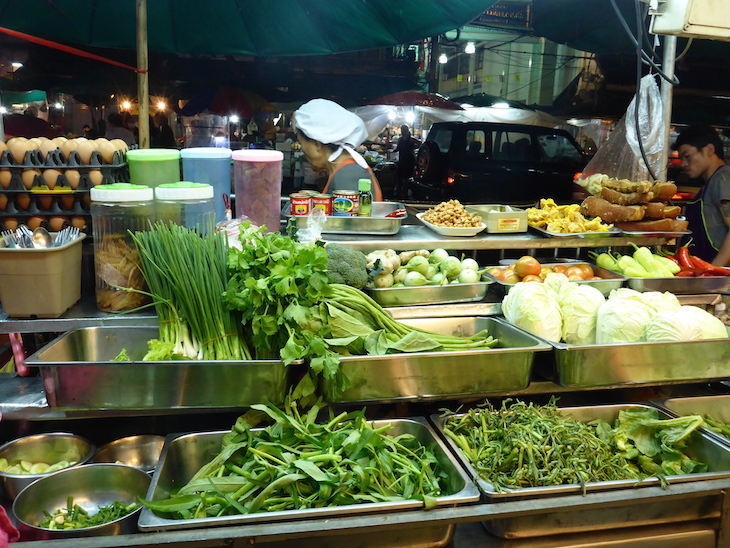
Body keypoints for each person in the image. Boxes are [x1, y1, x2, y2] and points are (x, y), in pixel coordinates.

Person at [293, 98, 383, 200]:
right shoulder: (344, 171)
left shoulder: (348, 175)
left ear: (317, 144)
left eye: (301, 143)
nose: (303, 150)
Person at [673, 124, 730, 265]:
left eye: (687, 156)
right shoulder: (709, 184)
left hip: (719, 278)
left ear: (709, 150)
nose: (683, 164)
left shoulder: (723, 177)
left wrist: (713, 271)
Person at [394, 124, 416, 199]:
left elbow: (420, 144)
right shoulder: (402, 139)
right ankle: (400, 192)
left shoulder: (410, 139)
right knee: (401, 177)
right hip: (403, 160)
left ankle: (403, 193)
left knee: (405, 178)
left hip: (408, 161)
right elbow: (398, 148)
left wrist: (412, 148)